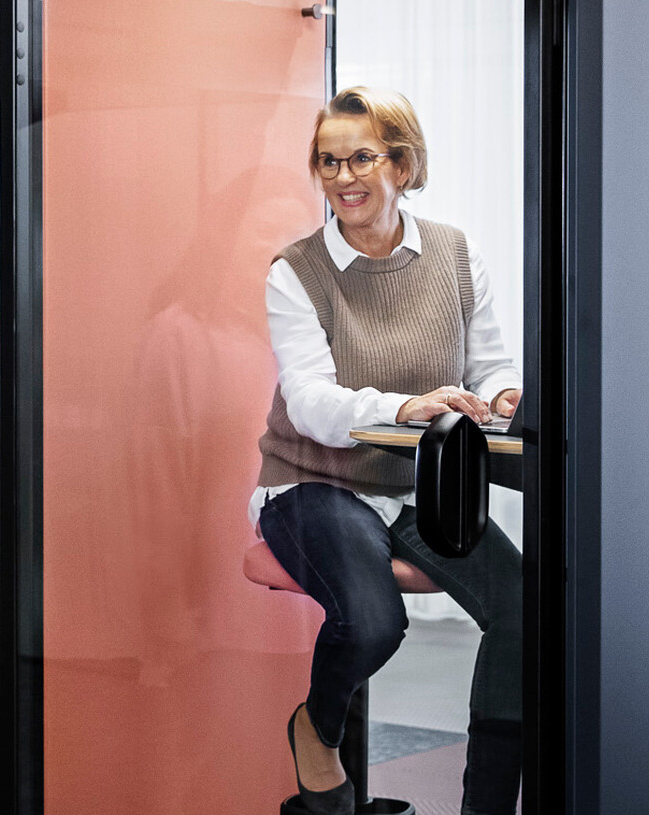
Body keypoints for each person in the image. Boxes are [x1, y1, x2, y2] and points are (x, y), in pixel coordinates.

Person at [253, 88, 524, 815]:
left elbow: (490, 364)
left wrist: (501, 397)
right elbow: (310, 403)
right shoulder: (296, 270)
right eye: (328, 160)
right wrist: (405, 406)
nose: (343, 176)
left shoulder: (456, 254)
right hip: (313, 483)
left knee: (526, 608)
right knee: (374, 621)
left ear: (402, 164)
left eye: (362, 157)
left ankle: (487, 806)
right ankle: (315, 729)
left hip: (415, 489)